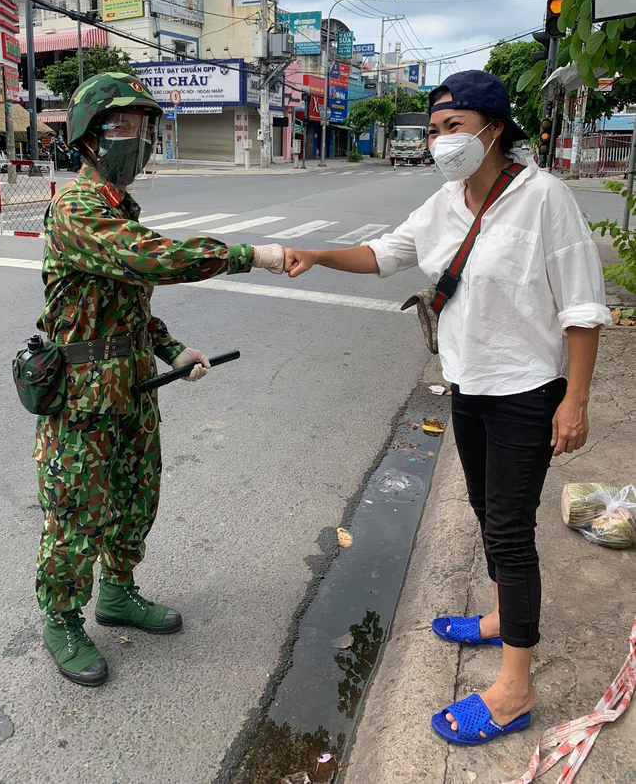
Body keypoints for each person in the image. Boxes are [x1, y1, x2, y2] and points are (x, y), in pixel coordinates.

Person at [283, 70, 610, 746]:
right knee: (487, 510)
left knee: (513, 530)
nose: (438, 141)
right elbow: (384, 254)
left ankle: (515, 689)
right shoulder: (443, 205)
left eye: (451, 127)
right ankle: (497, 616)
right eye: (432, 130)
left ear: (492, 128)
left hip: (527, 391)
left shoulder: (545, 197)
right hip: (468, 384)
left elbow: (582, 308)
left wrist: (574, 400)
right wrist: (315, 254)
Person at [36, 72, 285, 687]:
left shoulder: (121, 206)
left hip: (131, 388)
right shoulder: (78, 209)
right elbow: (155, 260)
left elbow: (132, 308)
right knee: (76, 514)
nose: (140, 139)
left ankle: (118, 593)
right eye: (126, 126)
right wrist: (247, 254)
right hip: (82, 396)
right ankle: (62, 620)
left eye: (146, 128)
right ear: (91, 136)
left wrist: (172, 349)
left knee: (136, 496)